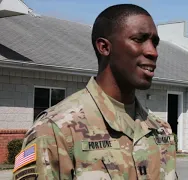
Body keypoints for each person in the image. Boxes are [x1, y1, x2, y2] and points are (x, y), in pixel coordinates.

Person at [12, 4, 177, 180]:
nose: (153, 52)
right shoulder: (55, 130)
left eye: (155, 43)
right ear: (104, 47)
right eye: (139, 39)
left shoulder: (161, 131)